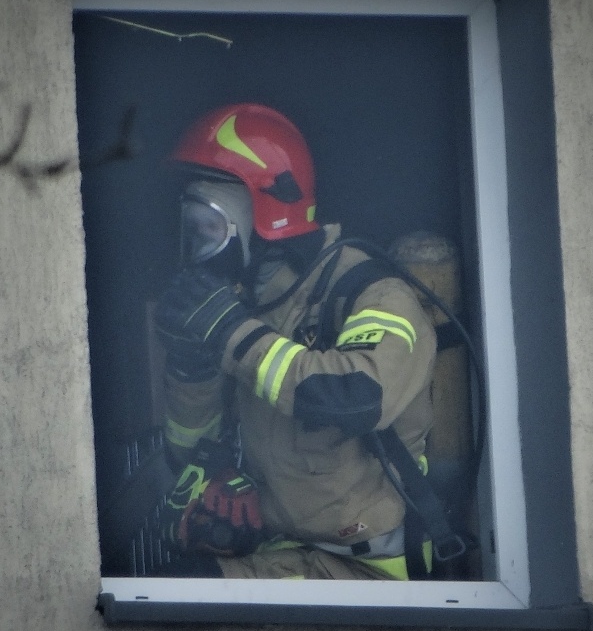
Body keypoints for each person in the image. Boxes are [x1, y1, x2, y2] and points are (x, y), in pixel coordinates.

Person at [151, 102, 440, 580]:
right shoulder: (247, 303)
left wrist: (230, 334)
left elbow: (354, 399)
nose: (200, 245)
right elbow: (187, 450)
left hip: (376, 567)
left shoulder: (373, 293)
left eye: (211, 227)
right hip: (278, 547)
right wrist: (190, 368)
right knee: (176, 593)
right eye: (192, 228)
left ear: (263, 213)